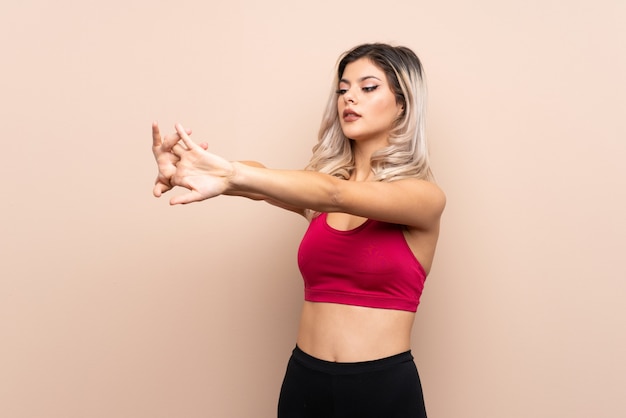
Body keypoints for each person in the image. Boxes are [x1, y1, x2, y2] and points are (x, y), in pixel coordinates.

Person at [151, 43, 445, 418]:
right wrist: (192, 169)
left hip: (381, 389)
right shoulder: (316, 193)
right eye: (343, 89)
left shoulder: (423, 198)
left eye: (368, 87)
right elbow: (265, 182)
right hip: (305, 383)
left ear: (403, 104)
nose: (349, 97)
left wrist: (230, 175)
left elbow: (336, 194)